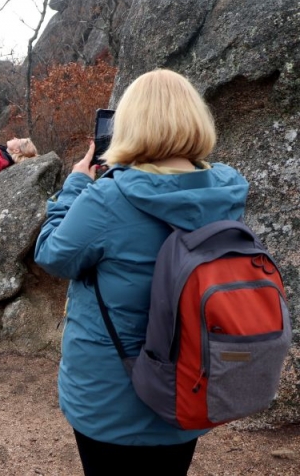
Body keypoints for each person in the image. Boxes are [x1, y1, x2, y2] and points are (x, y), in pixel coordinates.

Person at [34, 69, 248, 475]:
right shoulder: (224, 192)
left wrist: (76, 185)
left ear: (129, 125)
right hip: (190, 388)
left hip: (111, 402)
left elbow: (51, 254)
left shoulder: (108, 198)